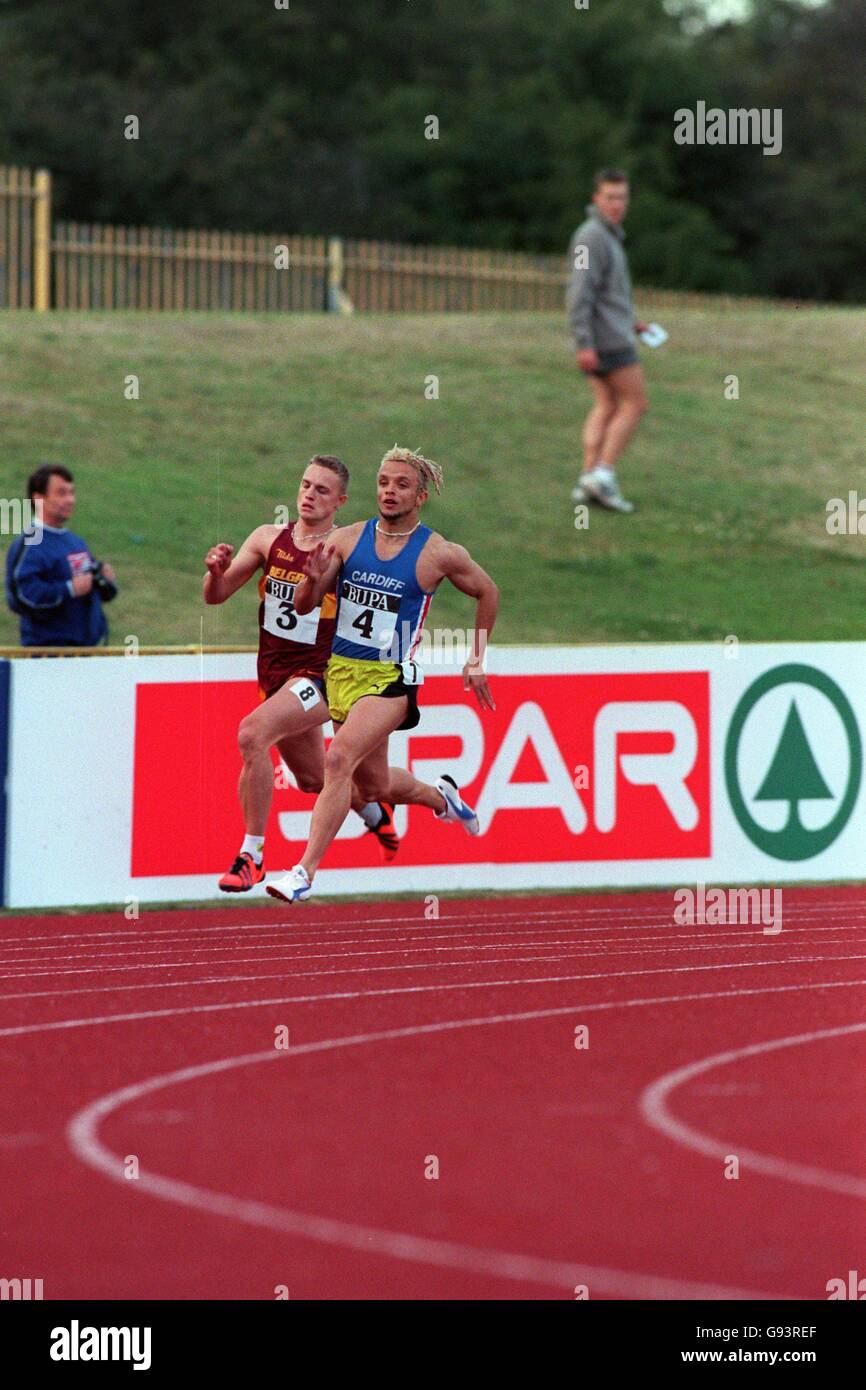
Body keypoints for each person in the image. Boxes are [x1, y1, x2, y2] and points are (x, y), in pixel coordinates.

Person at [267, 445, 499, 905]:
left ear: (421, 496)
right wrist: (312, 580)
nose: (390, 492)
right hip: (342, 672)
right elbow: (303, 607)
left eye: (402, 485)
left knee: (337, 761)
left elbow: (487, 591)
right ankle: (443, 798)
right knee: (371, 786)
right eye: (383, 483)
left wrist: (476, 658)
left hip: (391, 677)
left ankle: (303, 872)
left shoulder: (438, 553)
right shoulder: (348, 539)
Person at [204, 455, 401, 892]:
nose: (310, 495)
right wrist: (215, 573)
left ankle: (251, 856)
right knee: (314, 779)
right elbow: (216, 597)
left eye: (322, 490)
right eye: (306, 485)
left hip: (321, 674)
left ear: (340, 502)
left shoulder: (343, 550)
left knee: (252, 734)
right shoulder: (266, 538)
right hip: (275, 675)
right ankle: (374, 812)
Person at [566, 169, 650, 514]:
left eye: (622, 197)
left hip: (613, 332)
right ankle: (603, 474)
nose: (618, 204)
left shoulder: (609, 237)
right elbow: (580, 292)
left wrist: (631, 322)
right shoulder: (591, 237)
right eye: (611, 197)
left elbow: (608, 294)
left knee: (607, 405)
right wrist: (584, 342)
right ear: (596, 199)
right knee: (636, 403)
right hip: (605, 341)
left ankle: (588, 480)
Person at [5, 464, 117, 647]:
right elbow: (22, 597)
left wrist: (103, 579)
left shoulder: (76, 542)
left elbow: (92, 590)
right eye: (61, 493)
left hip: (87, 652)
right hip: (49, 654)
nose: (70, 500)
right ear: (39, 499)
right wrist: (68, 589)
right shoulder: (30, 544)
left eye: (72, 493)